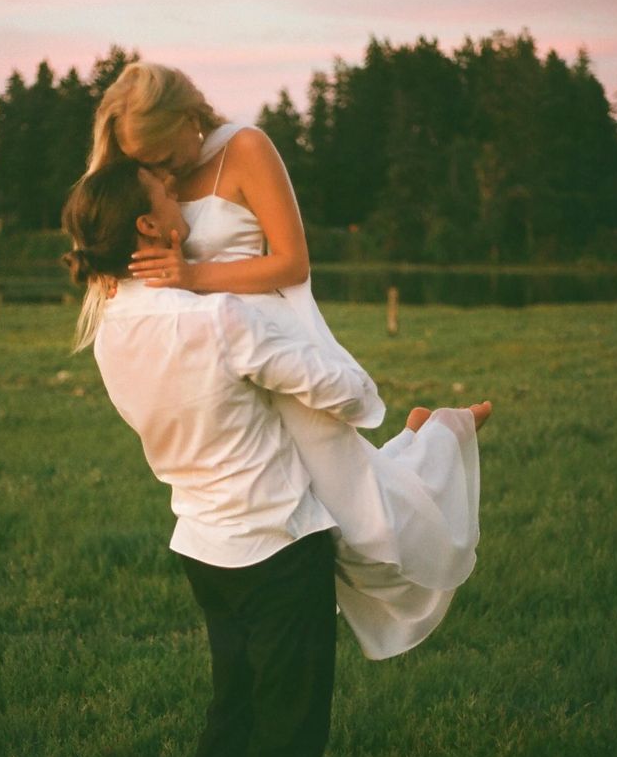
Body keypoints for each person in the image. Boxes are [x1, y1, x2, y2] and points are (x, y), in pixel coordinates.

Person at [78, 61, 491, 661]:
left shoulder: (244, 148)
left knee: (359, 519)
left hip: (272, 347)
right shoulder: (142, 176)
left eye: (163, 155)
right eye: (148, 164)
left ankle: (439, 439)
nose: (160, 173)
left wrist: (196, 277)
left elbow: (292, 263)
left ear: (189, 118)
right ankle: (413, 447)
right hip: (215, 371)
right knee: (301, 511)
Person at [62, 159, 389, 757]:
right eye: (164, 191)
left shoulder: (108, 331)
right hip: (278, 544)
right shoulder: (215, 320)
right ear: (151, 227)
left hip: (202, 545)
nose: (176, 191)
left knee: (233, 711)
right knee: (290, 734)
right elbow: (348, 394)